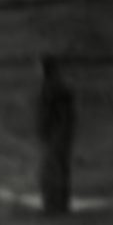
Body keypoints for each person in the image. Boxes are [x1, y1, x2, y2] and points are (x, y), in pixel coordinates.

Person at [36, 58, 77, 215]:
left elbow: (47, 116)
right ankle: (60, 204)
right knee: (60, 169)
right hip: (59, 136)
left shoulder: (51, 90)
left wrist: (46, 133)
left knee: (52, 170)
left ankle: (54, 204)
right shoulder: (61, 90)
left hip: (54, 136)